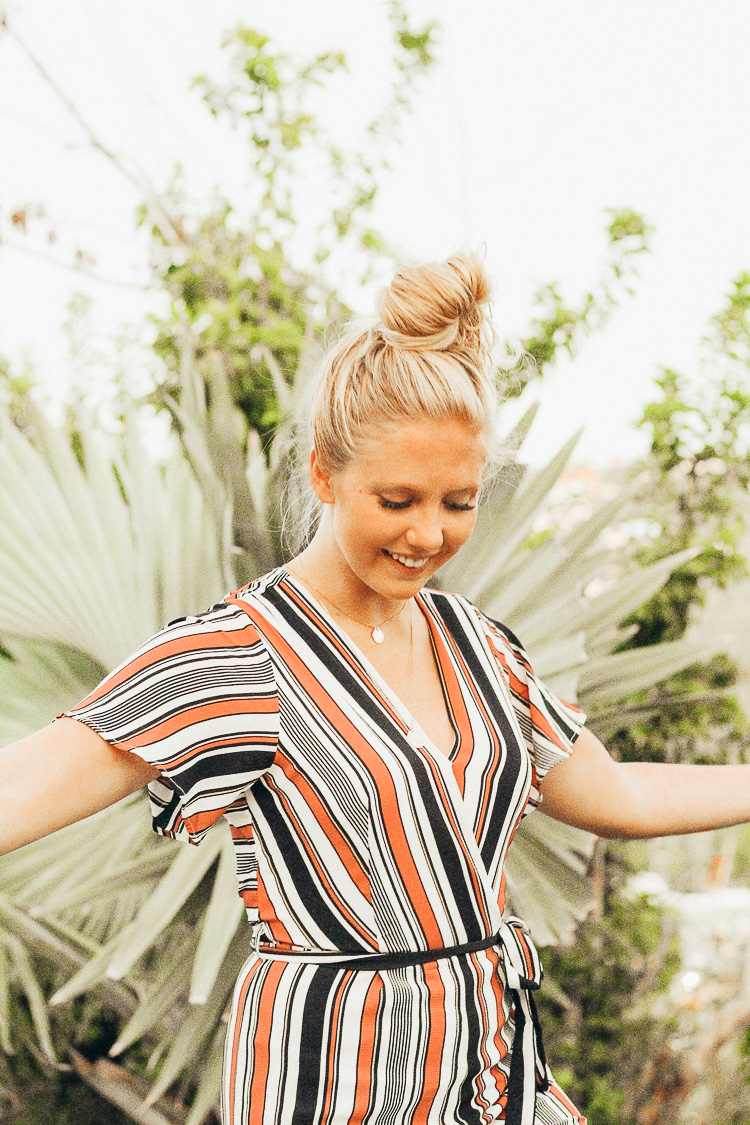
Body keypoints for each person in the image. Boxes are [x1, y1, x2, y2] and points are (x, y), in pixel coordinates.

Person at [3, 252, 750, 1125]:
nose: (429, 533)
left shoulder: (481, 649)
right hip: (333, 1079)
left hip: (486, 1064)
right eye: (396, 499)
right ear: (323, 474)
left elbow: (617, 791)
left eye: (458, 501)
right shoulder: (242, 655)